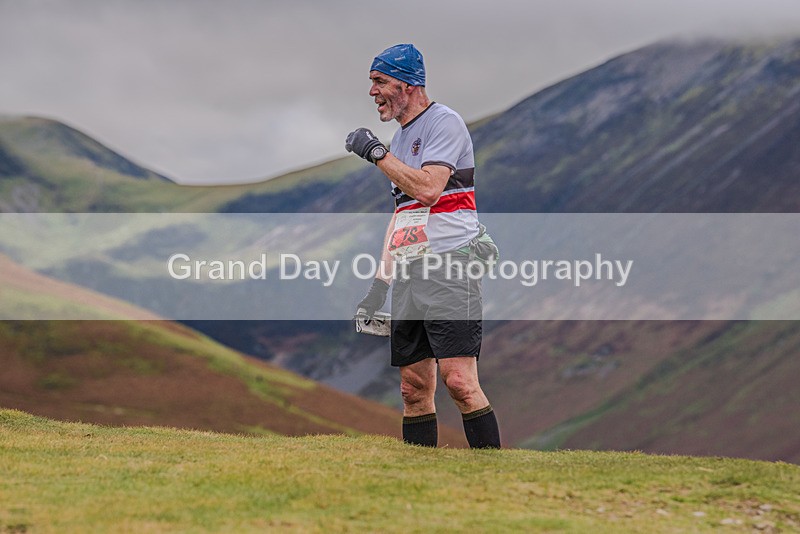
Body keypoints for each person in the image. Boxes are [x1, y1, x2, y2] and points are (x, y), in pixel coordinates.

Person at [346, 43, 500, 449]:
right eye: (371, 82)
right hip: (412, 271)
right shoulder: (399, 140)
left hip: (452, 266)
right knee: (413, 389)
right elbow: (404, 216)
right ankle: (420, 480)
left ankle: (496, 477)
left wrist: (375, 153)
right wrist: (380, 285)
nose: (372, 91)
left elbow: (430, 189)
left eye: (379, 81)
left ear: (408, 84)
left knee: (460, 382)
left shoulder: (443, 123)